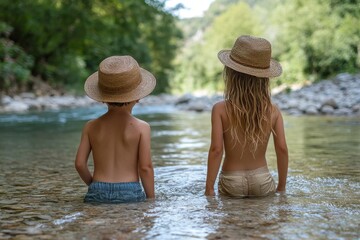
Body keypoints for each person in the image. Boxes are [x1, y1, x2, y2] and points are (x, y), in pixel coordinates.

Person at [205, 35, 288, 197]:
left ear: (231, 74)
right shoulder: (273, 111)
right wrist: (281, 188)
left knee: (232, 221)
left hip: (232, 180)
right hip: (262, 179)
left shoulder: (220, 109)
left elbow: (216, 150)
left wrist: (209, 188)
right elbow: (282, 149)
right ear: (264, 79)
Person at [75, 55, 156, 203]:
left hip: (97, 189)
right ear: (138, 96)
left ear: (102, 97)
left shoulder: (90, 126)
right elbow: (145, 167)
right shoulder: (142, 128)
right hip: (129, 190)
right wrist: (151, 200)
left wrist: (94, 185)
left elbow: (80, 164)